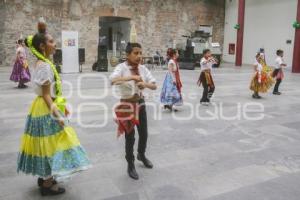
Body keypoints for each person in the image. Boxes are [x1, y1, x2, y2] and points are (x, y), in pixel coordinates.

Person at [17, 18, 90, 196]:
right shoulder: (44, 66)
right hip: (46, 108)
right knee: (51, 144)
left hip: (41, 107)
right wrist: (57, 113)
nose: (54, 44)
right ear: (43, 46)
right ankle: (47, 184)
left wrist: (41, 29)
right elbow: (47, 94)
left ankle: (45, 178)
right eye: (51, 41)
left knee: (46, 142)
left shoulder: (44, 62)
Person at [109, 42, 157, 180]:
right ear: (127, 54)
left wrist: (145, 84)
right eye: (136, 53)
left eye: (140, 53)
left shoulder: (143, 69)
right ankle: (130, 164)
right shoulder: (121, 67)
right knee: (130, 137)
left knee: (144, 133)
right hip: (127, 105)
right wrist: (131, 77)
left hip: (140, 104)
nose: (139, 56)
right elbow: (112, 80)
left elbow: (154, 85)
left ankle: (141, 154)